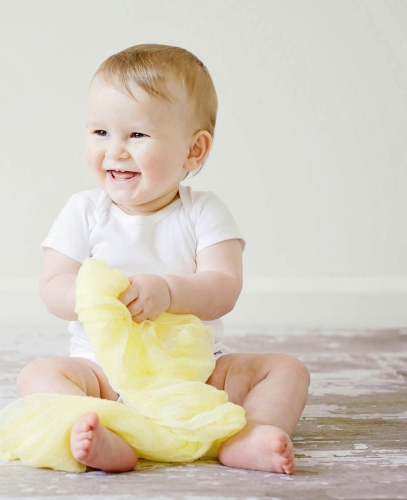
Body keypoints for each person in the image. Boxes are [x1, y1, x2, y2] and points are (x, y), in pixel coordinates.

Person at [16, 44, 310, 474]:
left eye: (136, 135)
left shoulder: (203, 211)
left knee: (288, 370)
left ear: (194, 150)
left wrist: (169, 291)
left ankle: (251, 436)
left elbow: (224, 287)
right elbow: (53, 284)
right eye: (100, 132)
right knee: (36, 375)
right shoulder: (84, 211)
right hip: (103, 374)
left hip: (195, 375)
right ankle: (105, 432)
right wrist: (96, 300)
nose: (115, 150)